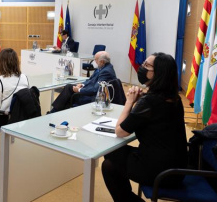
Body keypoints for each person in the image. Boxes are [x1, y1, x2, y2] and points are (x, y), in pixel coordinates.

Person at [101, 52, 187, 201]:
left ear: (158, 74)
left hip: (160, 172)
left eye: (147, 66)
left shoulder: (149, 102)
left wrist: (130, 101)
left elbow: (120, 131)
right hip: (178, 167)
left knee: (109, 161)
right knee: (112, 157)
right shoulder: (175, 99)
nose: (142, 67)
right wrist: (139, 104)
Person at [50, 51, 116, 112]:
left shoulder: (106, 71)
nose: (94, 62)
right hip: (89, 89)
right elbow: (90, 80)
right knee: (69, 87)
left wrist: (79, 90)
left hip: (94, 97)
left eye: (95, 60)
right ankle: (55, 111)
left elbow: (96, 89)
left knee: (69, 96)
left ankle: (54, 112)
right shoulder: (102, 68)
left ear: (101, 61)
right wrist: (82, 84)